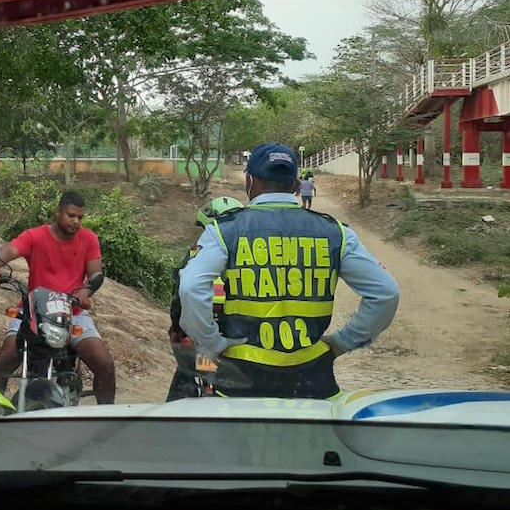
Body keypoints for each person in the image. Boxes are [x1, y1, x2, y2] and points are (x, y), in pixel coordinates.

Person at [178, 142, 400, 399]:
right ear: (296, 186)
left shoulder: (224, 231)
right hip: (315, 386)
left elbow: (192, 287)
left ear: (249, 181)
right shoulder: (336, 232)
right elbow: (386, 293)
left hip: (240, 389)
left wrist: (212, 345)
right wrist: (342, 342)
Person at [0, 191, 115, 404]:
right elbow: (11, 249)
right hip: (34, 310)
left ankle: (107, 416)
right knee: (5, 358)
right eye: (71, 215)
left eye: (80, 217)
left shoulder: (88, 239)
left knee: (104, 363)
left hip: (73, 312)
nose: (76, 221)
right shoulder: (35, 236)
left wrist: (86, 291)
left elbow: (96, 273)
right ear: (58, 212)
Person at [166, 196, 241, 402]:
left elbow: (179, 299)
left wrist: (175, 329)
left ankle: (171, 417)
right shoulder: (249, 254)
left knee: (185, 374)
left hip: (199, 336)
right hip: (234, 337)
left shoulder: (194, 255)